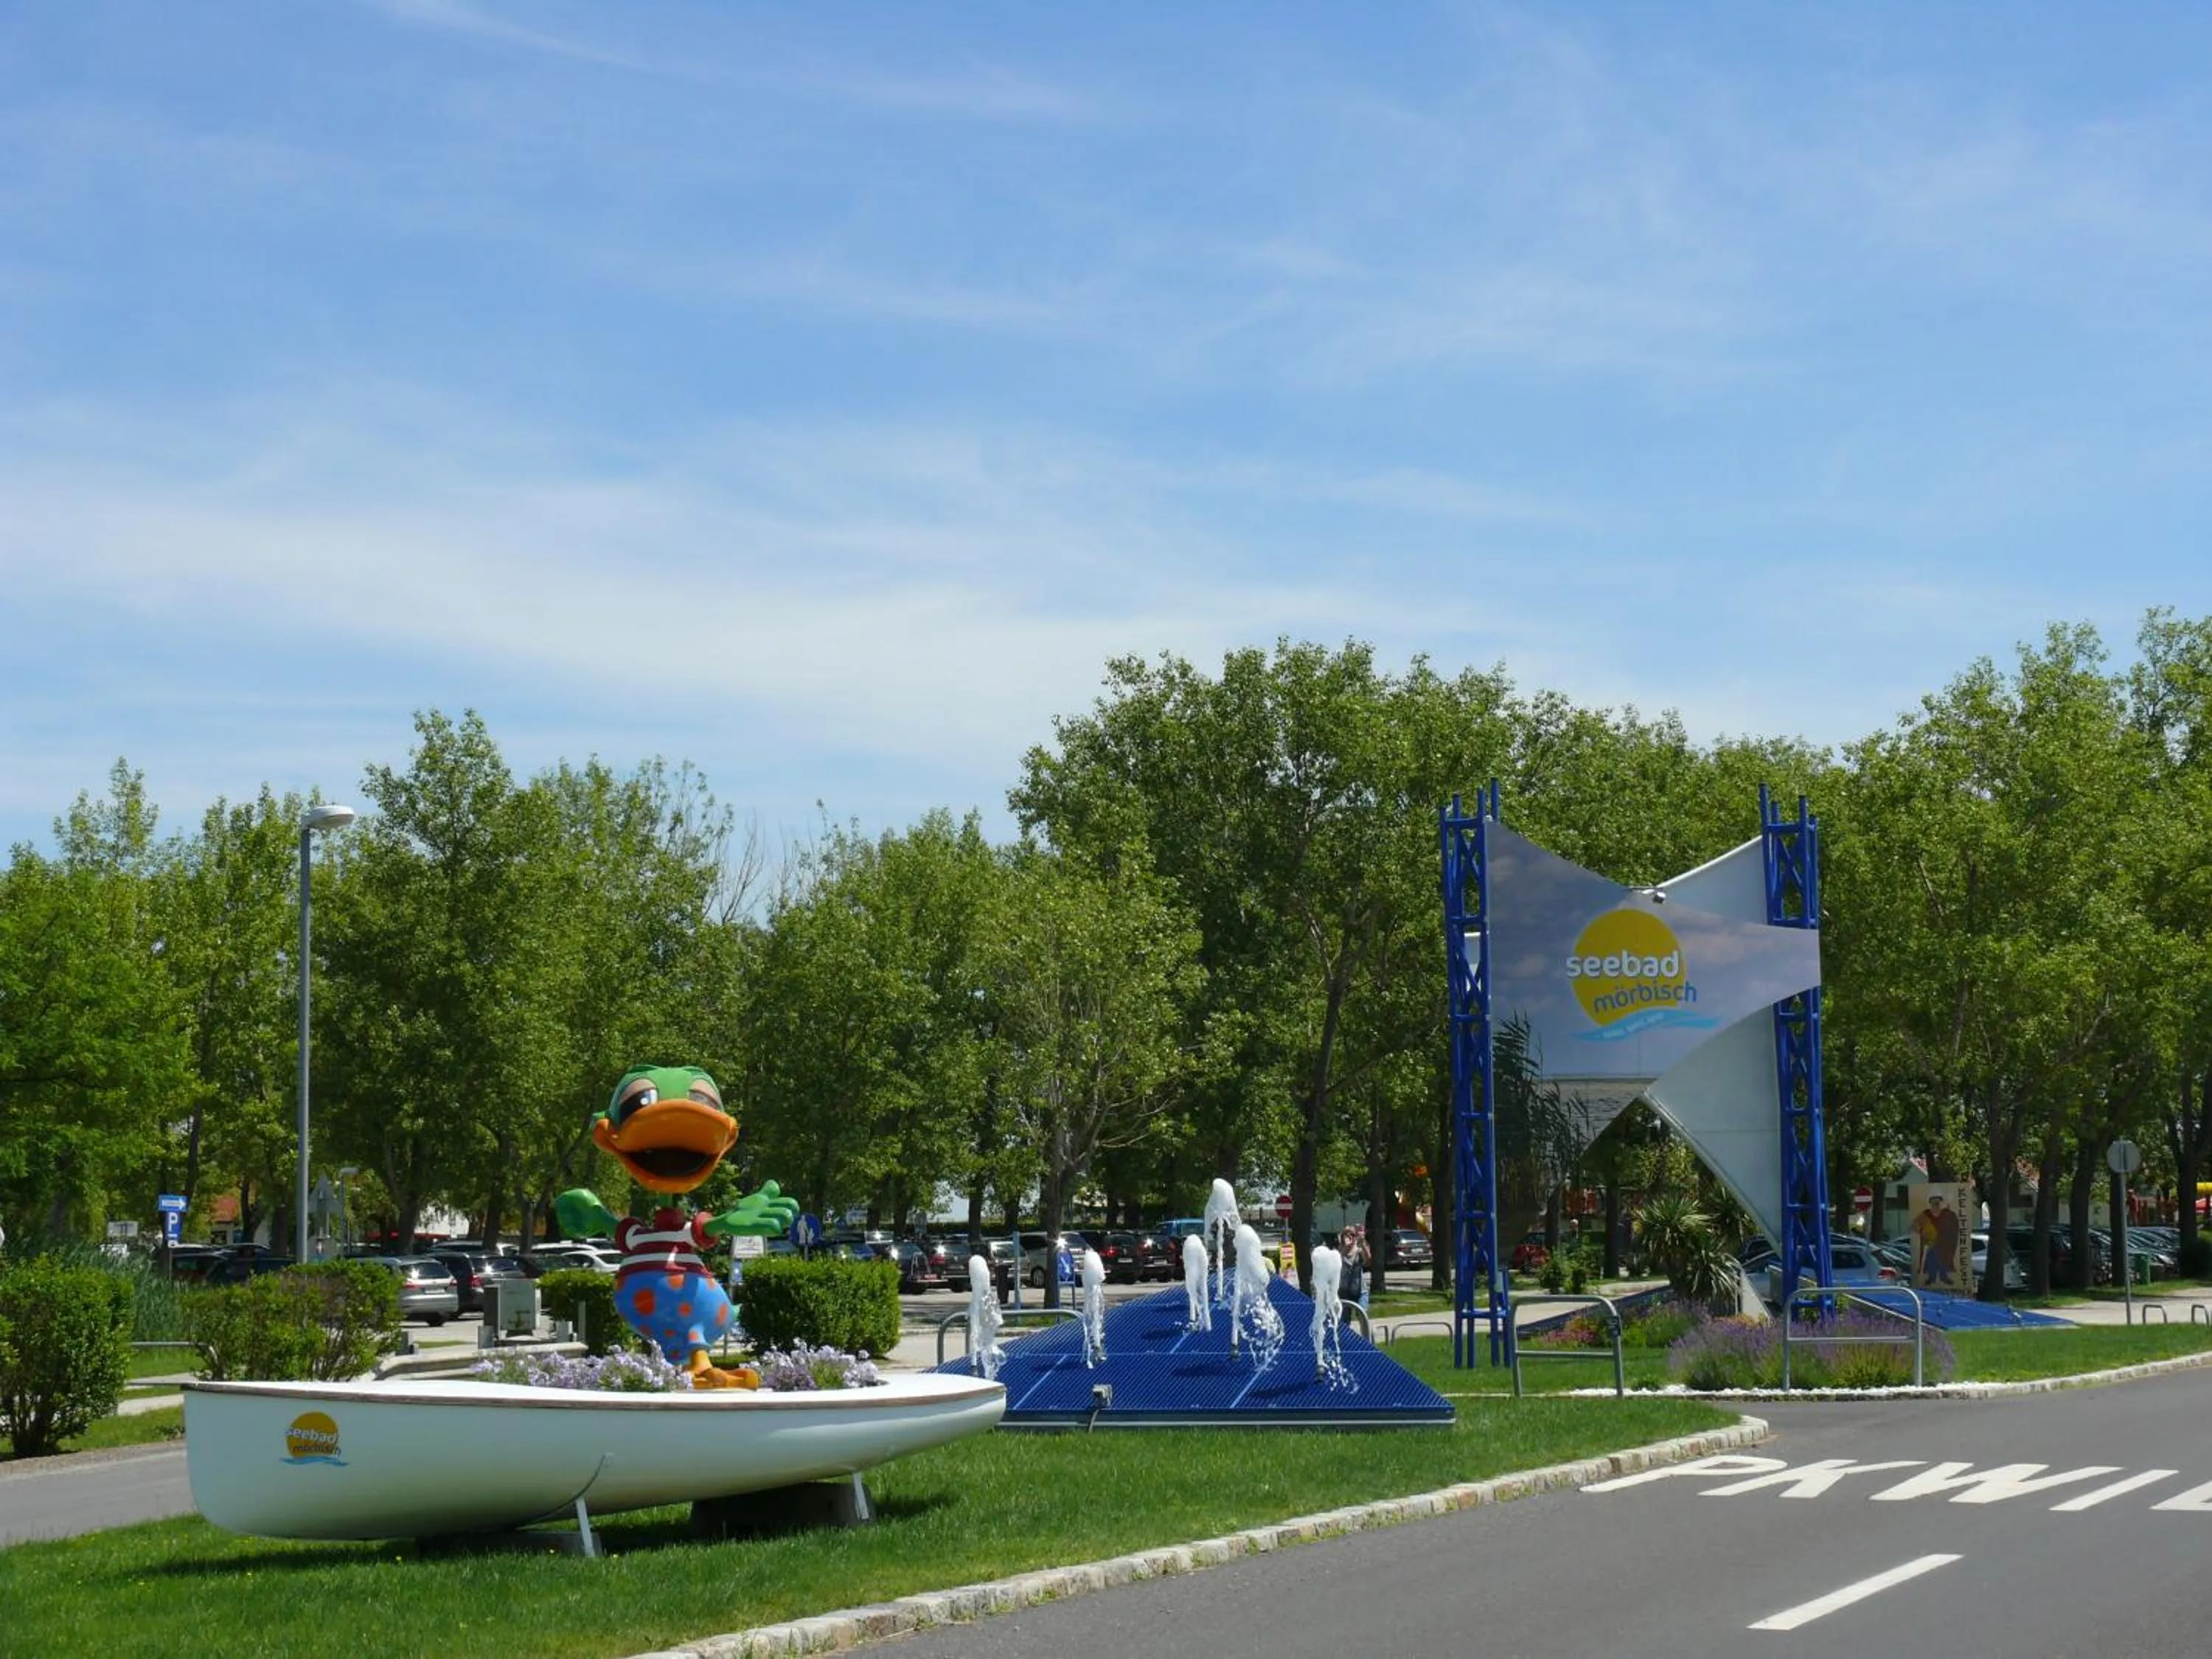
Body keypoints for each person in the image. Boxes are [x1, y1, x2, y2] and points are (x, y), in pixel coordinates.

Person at [1339, 1226, 1368, 1312]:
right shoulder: (1339, 1252)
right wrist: (1345, 1248)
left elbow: (1368, 1260)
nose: (1350, 1237)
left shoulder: (1359, 1251)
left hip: (1360, 1291)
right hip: (1344, 1293)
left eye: (1352, 1235)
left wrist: (1363, 1243)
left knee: (1362, 1315)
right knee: (1344, 1320)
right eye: (1346, 1235)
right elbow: (1336, 1263)